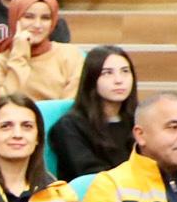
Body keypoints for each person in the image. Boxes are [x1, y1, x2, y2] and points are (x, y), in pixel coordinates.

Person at [48, 46, 137, 181]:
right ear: (92, 79)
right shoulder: (69, 126)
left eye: (125, 71)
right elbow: (89, 174)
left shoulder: (139, 121)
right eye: (107, 73)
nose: (119, 80)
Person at [0, 0, 82, 103]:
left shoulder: (70, 55)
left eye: (45, 18)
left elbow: (70, 105)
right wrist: (19, 53)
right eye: (29, 17)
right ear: (15, 18)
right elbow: (5, 105)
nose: (37, 25)